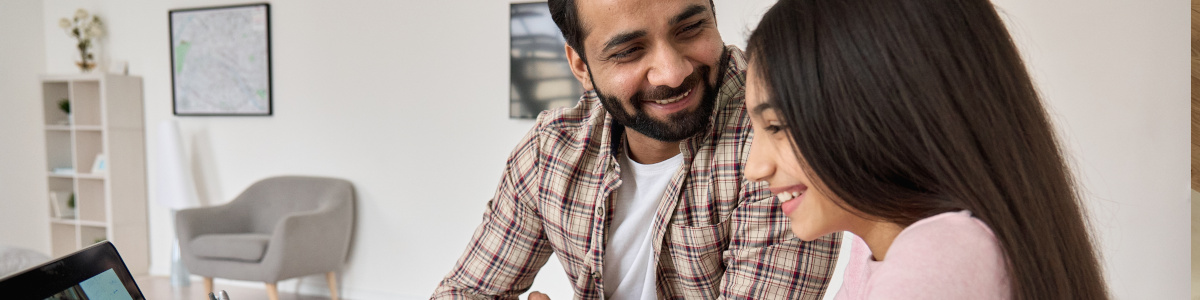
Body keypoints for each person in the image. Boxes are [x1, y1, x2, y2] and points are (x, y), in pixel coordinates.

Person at [432, 0, 841, 299]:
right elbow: (465, 292)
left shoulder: (781, 137)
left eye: (690, 28)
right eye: (629, 51)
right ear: (580, 66)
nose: (673, 71)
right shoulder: (551, 151)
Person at [741, 0, 1111, 299]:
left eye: (775, 126)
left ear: (879, 109)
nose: (754, 167)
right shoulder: (880, 249)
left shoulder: (937, 261)